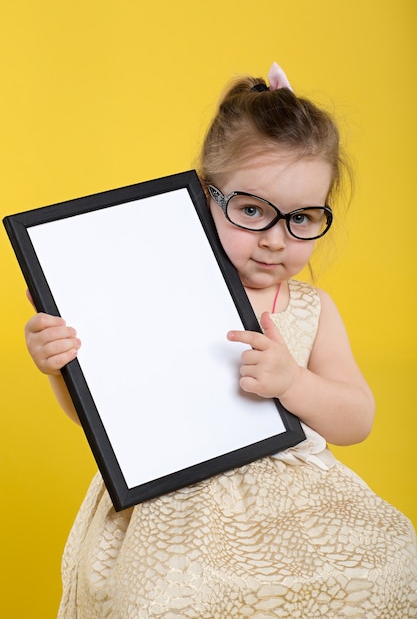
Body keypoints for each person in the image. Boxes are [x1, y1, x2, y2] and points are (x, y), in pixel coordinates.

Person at [25, 62, 417, 618]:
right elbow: (103, 417)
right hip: (175, 504)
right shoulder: (165, 292)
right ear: (201, 195)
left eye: (302, 218)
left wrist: (294, 382)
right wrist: (60, 366)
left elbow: (356, 420)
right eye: (251, 210)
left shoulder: (310, 308)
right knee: (171, 599)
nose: (275, 241)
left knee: (390, 566)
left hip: (291, 506)